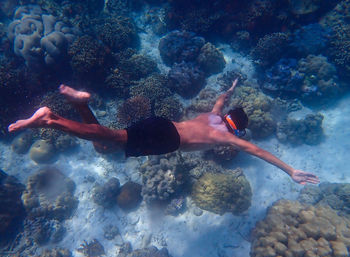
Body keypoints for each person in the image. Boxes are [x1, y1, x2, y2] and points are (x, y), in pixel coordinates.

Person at [8, 79, 319, 185]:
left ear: (226, 116)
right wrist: (290, 169)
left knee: (104, 145)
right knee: (110, 139)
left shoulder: (212, 116)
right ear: (238, 130)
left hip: (164, 125)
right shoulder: (226, 137)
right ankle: (50, 119)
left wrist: (231, 88)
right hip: (166, 140)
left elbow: (222, 100)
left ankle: (79, 105)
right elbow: (259, 152)